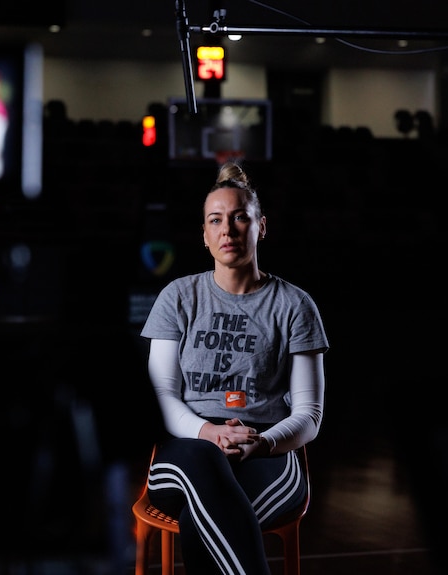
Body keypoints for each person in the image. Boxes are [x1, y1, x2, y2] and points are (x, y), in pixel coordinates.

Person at [140, 161, 329, 574]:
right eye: (216, 220)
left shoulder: (295, 305)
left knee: (204, 514)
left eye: (241, 216)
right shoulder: (177, 297)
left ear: (261, 227)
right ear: (205, 236)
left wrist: (260, 444)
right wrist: (208, 432)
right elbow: (162, 397)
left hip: (267, 447)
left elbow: (309, 414)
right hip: (186, 443)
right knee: (205, 469)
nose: (228, 229)